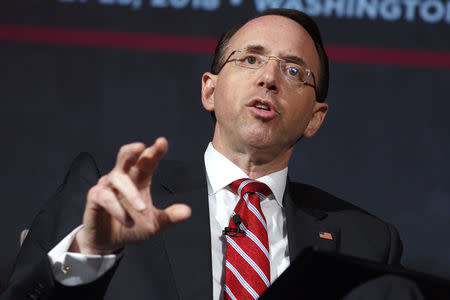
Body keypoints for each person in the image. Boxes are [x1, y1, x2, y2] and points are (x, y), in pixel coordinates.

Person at [3, 8, 404, 300]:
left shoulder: (366, 241)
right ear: (209, 90)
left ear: (315, 118)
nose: (269, 77)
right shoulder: (113, 192)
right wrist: (89, 254)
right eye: (250, 59)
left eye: (294, 71)